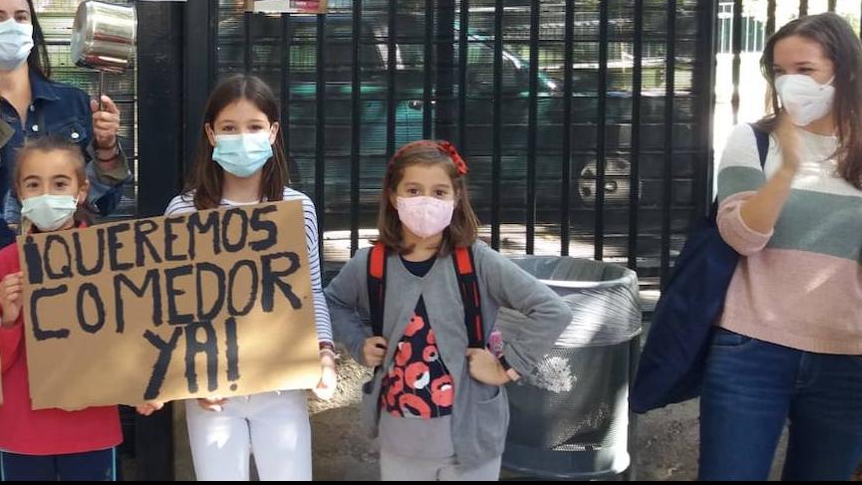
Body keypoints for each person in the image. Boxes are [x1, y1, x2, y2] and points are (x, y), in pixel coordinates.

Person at [0, 0, 131, 479]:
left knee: (79, 410)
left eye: (21, 15)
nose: (11, 26)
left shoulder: (72, 101)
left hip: (72, 281)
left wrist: (106, 151)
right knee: (3, 417)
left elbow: (100, 198)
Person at [326, 140, 571, 481]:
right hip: (401, 442)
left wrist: (507, 367)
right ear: (394, 197)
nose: (426, 201)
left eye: (439, 192)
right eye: (413, 190)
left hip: (471, 442)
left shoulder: (477, 261)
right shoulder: (372, 264)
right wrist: (357, 343)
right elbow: (332, 302)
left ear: (456, 199)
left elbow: (552, 310)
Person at [699, 12, 862, 480]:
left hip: (847, 357)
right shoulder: (753, 141)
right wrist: (788, 169)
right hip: (751, 349)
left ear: (845, 69)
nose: (791, 83)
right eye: (781, 71)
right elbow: (741, 235)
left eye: (805, 70)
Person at [156, 74, 336, 481]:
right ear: (210, 134)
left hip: (282, 387)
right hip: (212, 392)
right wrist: (192, 375)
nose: (242, 137)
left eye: (254, 127)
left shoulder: (298, 208)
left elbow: (311, 292)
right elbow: (172, 307)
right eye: (229, 128)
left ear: (273, 132)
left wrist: (324, 350)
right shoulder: (183, 212)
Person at [0, 136, 122, 481]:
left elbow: (129, 340)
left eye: (60, 183)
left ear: (81, 191)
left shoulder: (110, 258)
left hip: (92, 426)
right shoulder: (2, 266)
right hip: (22, 432)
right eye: (33, 184)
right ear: (19, 193)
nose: (46, 194)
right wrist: (7, 318)